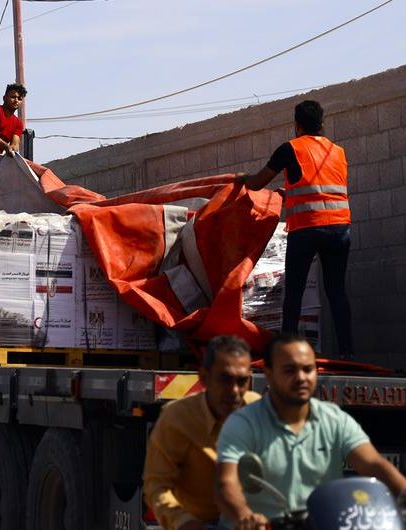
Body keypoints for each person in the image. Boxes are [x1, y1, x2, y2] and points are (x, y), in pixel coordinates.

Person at [215, 333, 406, 530]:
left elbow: (373, 464)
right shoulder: (243, 423)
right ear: (269, 374)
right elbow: (226, 484)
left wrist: (403, 490)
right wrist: (245, 516)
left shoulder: (334, 419)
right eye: (289, 370)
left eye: (308, 369)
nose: (301, 378)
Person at [238, 100, 352, 358]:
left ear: (297, 126)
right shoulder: (338, 152)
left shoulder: (290, 149)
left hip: (307, 229)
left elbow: (257, 182)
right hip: (339, 230)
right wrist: (289, 192)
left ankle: (286, 352)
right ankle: (347, 351)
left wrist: (240, 180)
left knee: (295, 292)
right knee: (337, 291)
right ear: (322, 124)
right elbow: (319, 187)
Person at [143, 336, 260, 530]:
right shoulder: (177, 418)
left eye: (242, 381)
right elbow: (157, 486)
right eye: (225, 379)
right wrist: (184, 522)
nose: (234, 391)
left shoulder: (258, 410)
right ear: (204, 377)